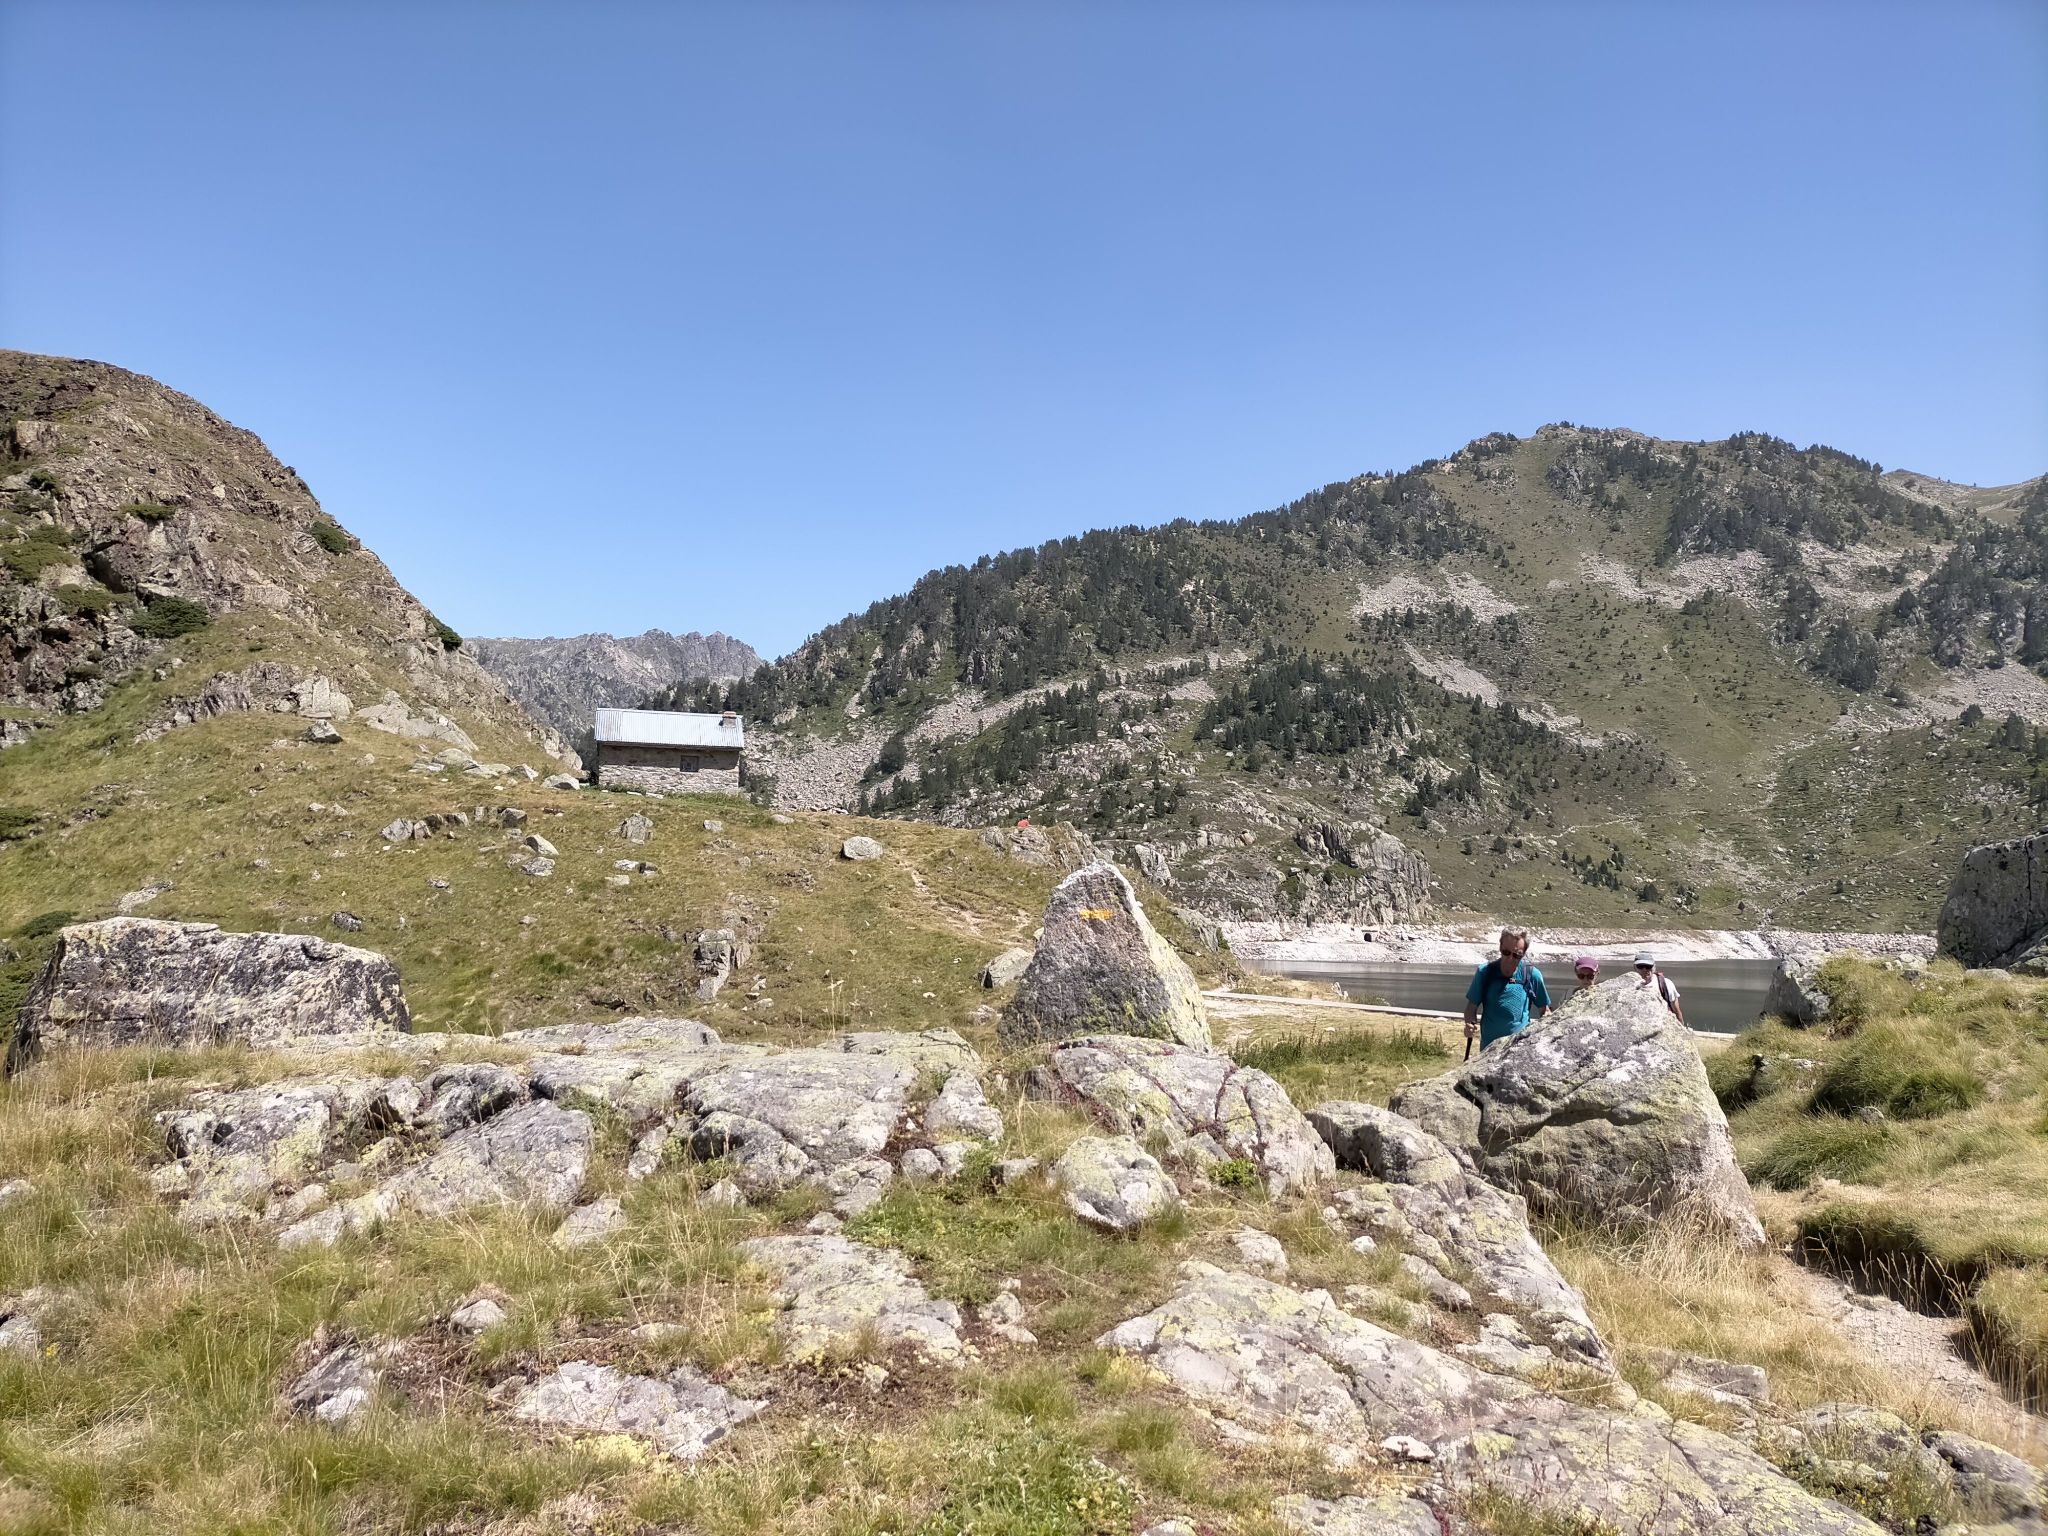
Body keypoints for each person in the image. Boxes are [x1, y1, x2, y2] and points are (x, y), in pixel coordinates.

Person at [1463, 927, 1551, 1052]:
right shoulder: (1485, 972)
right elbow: (1471, 1008)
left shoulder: (1532, 975)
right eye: (1506, 952)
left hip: (1519, 1049)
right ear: (1500, 947)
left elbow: (1544, 1010)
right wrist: (1469, 1025)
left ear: (1524, 953)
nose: (1510, 958)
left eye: (1517, 955)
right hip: (1488, 1050)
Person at [1633, 952, 1685, 1023]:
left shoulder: (1666, 983)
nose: (1644, 969)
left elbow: (1677, 1011)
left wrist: (1681, 1027)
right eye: (1640, 966)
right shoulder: (1631, 985)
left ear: (1654, 967)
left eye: (1648, 966)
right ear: (1635, 967)